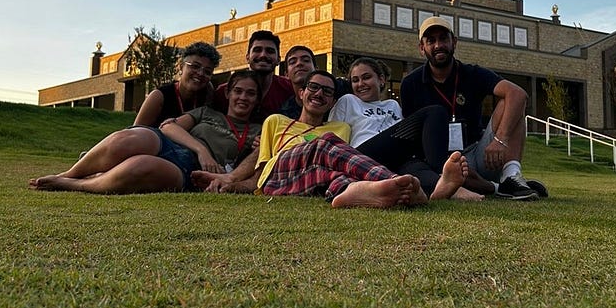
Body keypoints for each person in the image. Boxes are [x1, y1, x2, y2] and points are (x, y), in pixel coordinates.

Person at [193, 70, 469, 208]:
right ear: (301, 93)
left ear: (333, 101)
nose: (319, 94)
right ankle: (395, 183)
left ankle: (358, 194)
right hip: (279, 176)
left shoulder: (340, 127)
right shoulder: (276, 122)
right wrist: (230, 183)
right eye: (313, 87)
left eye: (327, 92)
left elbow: (345, 157)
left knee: (335, 175)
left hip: (311, 182)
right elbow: (258, 169)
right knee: (325, 144)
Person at [29, 70, 262, 194]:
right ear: (229, 94)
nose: (243, 97)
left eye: (250, 94)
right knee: (130, 138)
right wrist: (202, 150)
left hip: (191, 170)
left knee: (140, 166)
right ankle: (69, 173)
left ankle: (72, 185)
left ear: (257, 100)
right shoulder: (206, 113)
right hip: (174, 144)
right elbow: (168, 127)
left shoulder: (259, 130)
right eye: (238, 91)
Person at [400, 16, 548, 201]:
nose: (438, 45)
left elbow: (518, 94)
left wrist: (499, 140)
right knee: (450, 169)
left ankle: (511, 175)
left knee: (511, 101)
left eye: (444, 38)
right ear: (422, 48)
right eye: (431, 41)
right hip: (440, 161)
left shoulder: (471, 73)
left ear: (454, 42)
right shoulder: (410, 83)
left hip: (480, 155)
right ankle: (502, 188)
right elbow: (411, 135)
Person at [328, 57, 483, 201]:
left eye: (366, 77)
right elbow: (334, 137)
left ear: (381, 80)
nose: (360, 83)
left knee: (414, 169)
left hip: (396, 156)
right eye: (355, 80)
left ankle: (445, 188)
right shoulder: (348, 101)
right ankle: (442, 173)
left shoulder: (392, 105)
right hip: (364, 156)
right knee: (435, 112)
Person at [133, 41, 221, 127]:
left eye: (207, 72)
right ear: (181, 67)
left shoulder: (208, 96)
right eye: (195, 66)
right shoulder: (159, 96)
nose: (200, 73)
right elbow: (134, 134)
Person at [214, 30, 293, 121]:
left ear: (278, 59)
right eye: (257, 50)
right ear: (247, 57)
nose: (263, 55)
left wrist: (309, 136)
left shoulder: (289, 89)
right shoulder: (223, 93)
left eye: (270, 51)